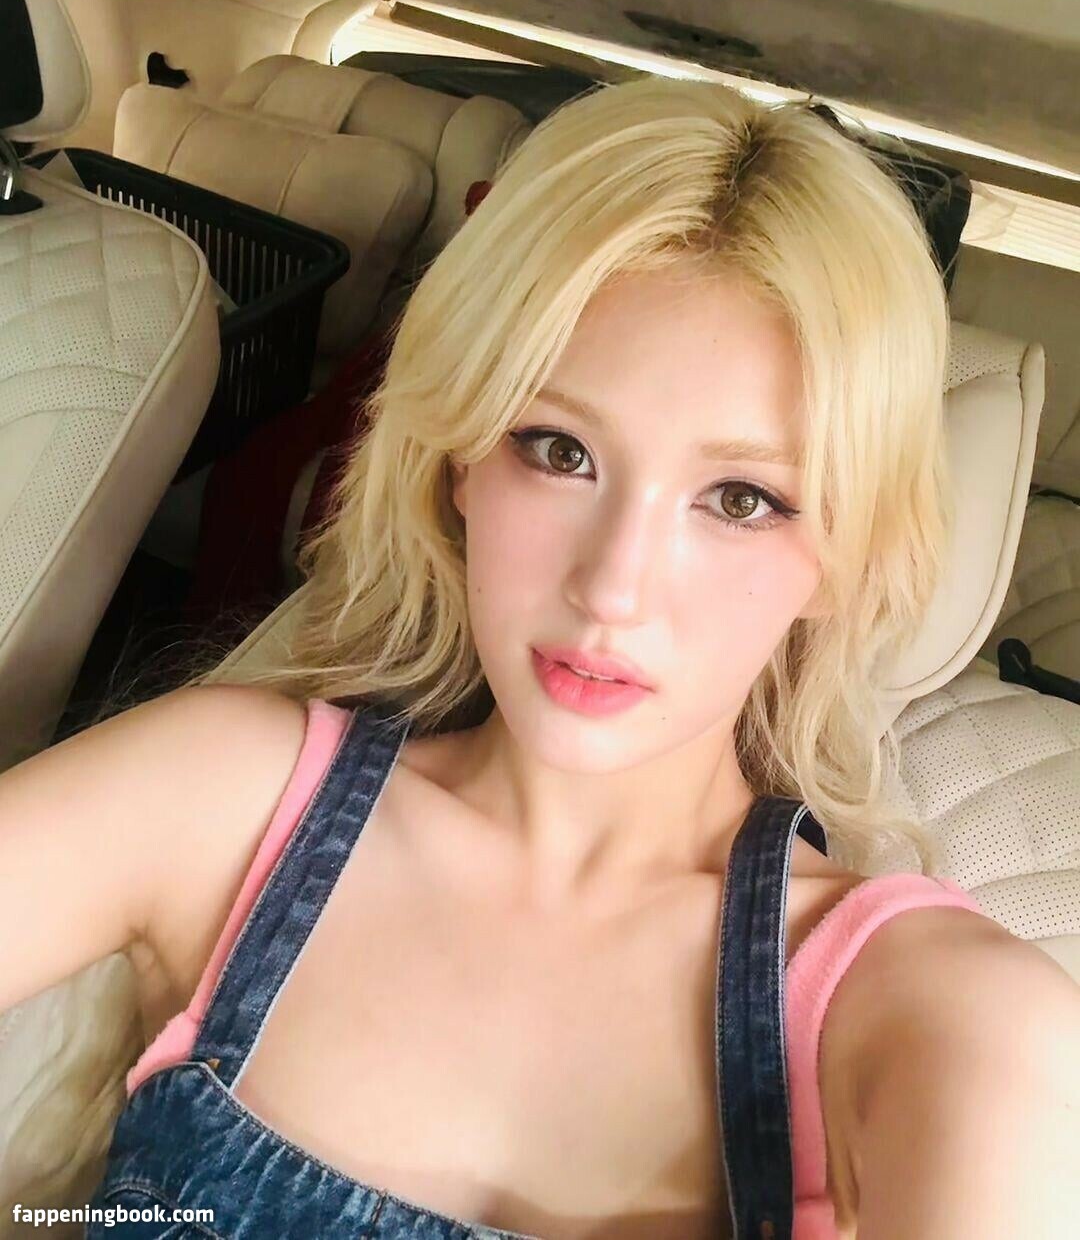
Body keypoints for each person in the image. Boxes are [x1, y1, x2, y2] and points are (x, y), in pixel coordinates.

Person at [1, 75, 1076, 1240]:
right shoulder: (219, 795)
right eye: (558, 449)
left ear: (839, 555)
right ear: (459, 458)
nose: (613, 588)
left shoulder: (940, 1017)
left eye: (741, 498)